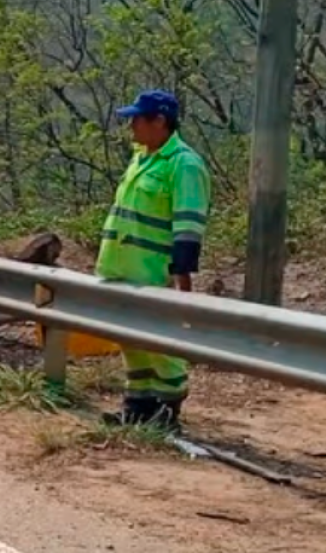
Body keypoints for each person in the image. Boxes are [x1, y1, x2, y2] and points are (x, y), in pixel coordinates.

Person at [96, 89, 211, 431]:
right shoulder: (142, 158)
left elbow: (188, 229)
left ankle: (166, 410)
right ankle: (138, 407)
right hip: (120, 269)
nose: (131, 126)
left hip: (151, 271)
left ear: (159, 121)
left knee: (161, 344)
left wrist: (181, 282)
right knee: (131, 340)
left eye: (136, 119)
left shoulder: (184, 164)